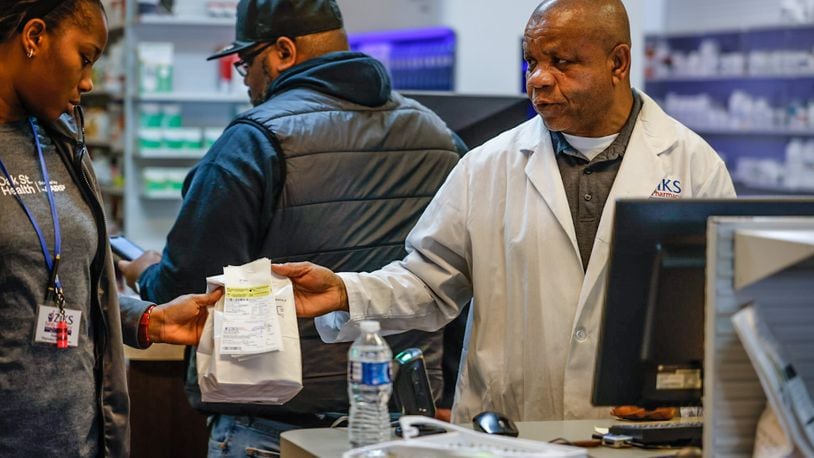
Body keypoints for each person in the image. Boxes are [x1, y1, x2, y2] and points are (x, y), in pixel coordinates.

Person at [272, 0, 738, 424]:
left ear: (618, 63)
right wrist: (344, 291)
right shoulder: (486, 166)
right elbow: (429, 283)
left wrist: (683, 394)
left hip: (638, 431)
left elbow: (723, 309)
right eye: (532, 62)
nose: (538, 78)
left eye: (561, 62)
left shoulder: (692, 164)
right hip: (507, 430)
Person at [118, 0, 467, 454]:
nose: (246, 81)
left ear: (283, 52)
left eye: (245, 63)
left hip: (271, 426)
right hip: (400, 422)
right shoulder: (441, 137)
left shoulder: (252, 140)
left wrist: (143, 271)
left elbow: (186, 290)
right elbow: (460, 283)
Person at [0, 1, 223, 456]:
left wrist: (148, 318)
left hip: (80, 439)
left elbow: (57, 289)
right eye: (84, 57)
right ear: (34, 37)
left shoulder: (62, 143)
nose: (88, 81)